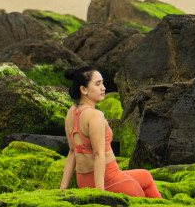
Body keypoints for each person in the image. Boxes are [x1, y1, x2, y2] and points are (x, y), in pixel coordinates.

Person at [59, 65, 161, 198]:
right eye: (98, 84)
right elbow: (98, 154)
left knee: (145, 176)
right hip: (107, 179)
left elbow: (72, 151)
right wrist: (101, 194)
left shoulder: (72, 112)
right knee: (137, 193)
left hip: (84, 180)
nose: (104, 88)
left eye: (103, 83)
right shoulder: (95, 115)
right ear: (84, 89)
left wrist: (62, 189)